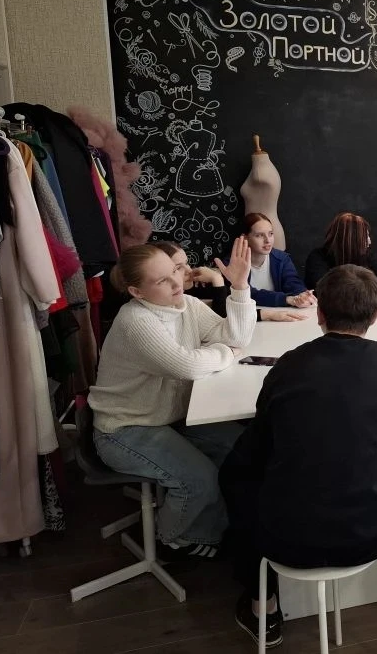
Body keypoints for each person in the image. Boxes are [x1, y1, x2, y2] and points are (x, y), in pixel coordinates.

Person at [220, 264, 377, 645]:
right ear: (376, 315)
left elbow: (255, 451)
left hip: (285, 534)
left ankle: (262, 604)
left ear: (319, 313)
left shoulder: (287, 367)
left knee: (236, 472)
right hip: (370, 532)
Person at [89, 239, 256, 560]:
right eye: (162, 280)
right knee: (199, 479)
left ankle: (219, 526)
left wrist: (239, 287)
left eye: (176, 270)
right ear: (137, 292)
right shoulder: (135, 321)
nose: (177, 282)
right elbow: (187, 366)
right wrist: (228, 353)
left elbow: (237, 337)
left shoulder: (186, 306)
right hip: (125, 429)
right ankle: (174, 539)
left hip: (168, 417)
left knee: (241, 447)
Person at [152, 241, 305, 323]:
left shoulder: (193, 288)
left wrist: (268, 314)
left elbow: (229, 309)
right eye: (178, 268)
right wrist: (217, 279)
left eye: (187, 263)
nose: (189, 270)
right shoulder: (156, 311)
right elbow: (222, 320)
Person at [238, 212, 315, 308]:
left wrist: (302, 294)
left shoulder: (282, 259)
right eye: (259, 235)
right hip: (246, 314)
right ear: (245, 238)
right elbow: (247, 294)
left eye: (270, 234)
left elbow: (293, 283)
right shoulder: (232, 263)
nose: (267, 240)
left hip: (278, 314)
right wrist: (286, 299)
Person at [303, 211, 377, 291]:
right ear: (350, 240)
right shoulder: (318, 258)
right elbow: (325, 289)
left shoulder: (365, 255)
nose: (369, 242)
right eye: (364, 237)